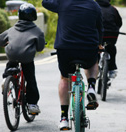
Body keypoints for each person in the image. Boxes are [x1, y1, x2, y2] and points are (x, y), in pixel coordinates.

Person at [42, 0, 103, 130]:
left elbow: (45, 2)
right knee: (93, 63)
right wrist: (99, 44)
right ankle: (91, 86)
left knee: (65, 78)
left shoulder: (63, 3)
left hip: (66, 49)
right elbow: (99, 28)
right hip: (87, 49)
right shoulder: (94, 5)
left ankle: (63, 117)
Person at [0, 3, 45, 114]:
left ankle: (7, 78)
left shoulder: (12, 29)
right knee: (30, 79)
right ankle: (32, 104)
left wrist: (6, 43)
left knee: (11, 63)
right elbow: (40, 48)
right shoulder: (37, 31)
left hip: (12, 54)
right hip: (27, 57)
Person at [96, 0, 123, 79]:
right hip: (112, 35)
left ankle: (95, 66)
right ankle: (112, 69)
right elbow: (119, 23)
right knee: (111, 48)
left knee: (95, 50)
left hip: (97, 35)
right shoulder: (113, 9)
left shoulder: (94, 8)